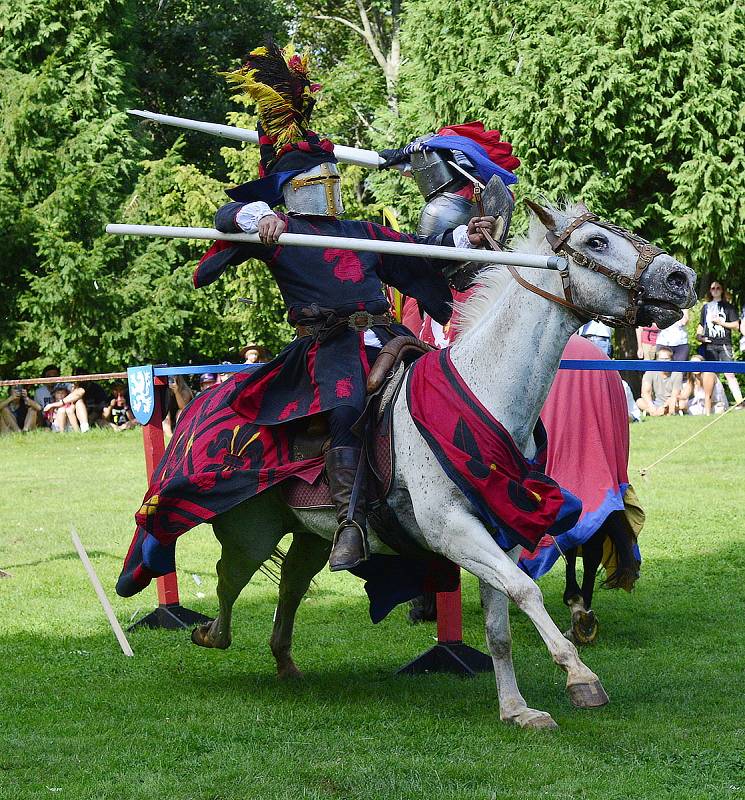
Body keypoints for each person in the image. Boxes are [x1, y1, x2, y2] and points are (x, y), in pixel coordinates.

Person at [126, 42, 496, 581]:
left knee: (443, 386)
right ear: (289, 188)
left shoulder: (363, 233)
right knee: (347, 404)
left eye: (333, 175)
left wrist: (465, 235)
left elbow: (419, 253)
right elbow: (224, 216)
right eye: (315, 178)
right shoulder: (277, 231)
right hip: (328, 346)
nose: (330, 185)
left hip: (389, 336)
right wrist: (255, 217)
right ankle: (350, 520)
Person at [696, 280, 743, 407]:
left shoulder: (728, 307)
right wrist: (699, 336)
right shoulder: (706, 307)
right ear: (710, 291)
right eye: (712, 288)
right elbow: (701, 325)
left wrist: (721, 323)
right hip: (709, 344)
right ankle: (709, 403)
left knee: (729, 373)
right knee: (710, 375)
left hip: (724, 344)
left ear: (722, 290)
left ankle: (739, 402)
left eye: (718, 288)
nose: (715, 290)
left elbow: (736, 325)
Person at [635, 346, 684, 416]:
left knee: (682, 404)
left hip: (671, 402)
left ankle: (660, 412)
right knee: (639, 402)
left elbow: (675, 394)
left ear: (671, 360)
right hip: (654, 403)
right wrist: (652, 406)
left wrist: (665, 407)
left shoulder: (677, 373)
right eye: (661, 359)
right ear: (657, 360)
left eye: (666, 359)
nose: (664, 361)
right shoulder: (650, 372)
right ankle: (655, 412)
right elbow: (645, 392)